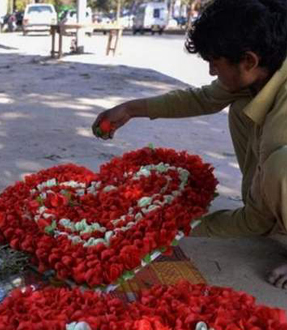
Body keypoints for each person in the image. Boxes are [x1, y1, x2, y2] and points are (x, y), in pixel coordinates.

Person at [91, 0, 287, 289]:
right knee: (242, 106)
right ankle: (261, 216)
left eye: (216, 64)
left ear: (248, 61)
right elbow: (201, 99)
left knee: (280, 162)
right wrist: (130, 109)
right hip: (262, 208)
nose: (210, 72)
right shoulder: (257, 74)